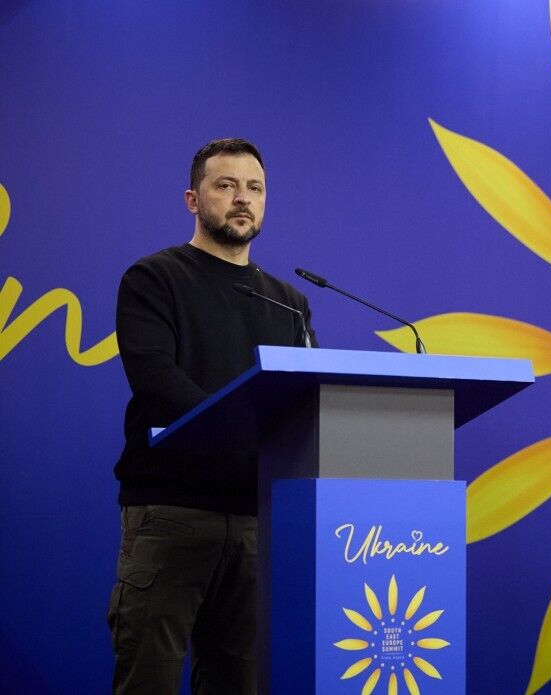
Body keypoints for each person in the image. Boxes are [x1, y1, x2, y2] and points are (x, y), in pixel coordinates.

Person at [107, 138, 316, 693]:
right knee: (147, 680)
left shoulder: (290, 304)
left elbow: (304, 403)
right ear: (192, 200)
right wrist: (249, 434)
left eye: (255, 188)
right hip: (172, 514)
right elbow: (157, 382)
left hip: (257, 522)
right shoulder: (153, 279)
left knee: (238, 684)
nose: (242, 199)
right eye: (225, 186)